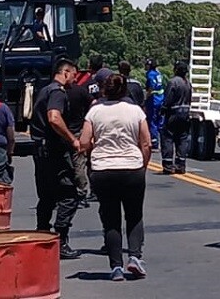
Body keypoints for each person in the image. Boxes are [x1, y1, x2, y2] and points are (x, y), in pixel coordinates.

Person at [80, 73, 152, 281]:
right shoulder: (135, 111)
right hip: (132, 167)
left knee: (111, 219)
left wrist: (97, 148)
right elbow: (146, 143)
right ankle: (135, 256)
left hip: (103, 169)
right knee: (134, 214)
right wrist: (143, 165)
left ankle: (116, 266)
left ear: (104, 89)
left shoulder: (95, 112)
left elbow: (84, 142)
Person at [30, 58, 82, 259]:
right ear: (66, 72)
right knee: (69, 194)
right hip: (54, 150)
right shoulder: (58, 92)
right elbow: (54, 117)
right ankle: (60, 239)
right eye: (74, 75)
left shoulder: (44, 90)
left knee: (46, 196)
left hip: (41, 150)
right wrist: (71, 139)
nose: (74, 80)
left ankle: (42, 234)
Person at [65, 63, 94, 208]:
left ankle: (69, 193)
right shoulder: (80, 91)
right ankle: (81, 193)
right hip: (77, 132)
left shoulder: (58, 92)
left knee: (66, 165)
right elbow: (94, 102)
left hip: (62, 132)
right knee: (79, 165)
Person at [159, 61, 192, 174]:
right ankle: (180, 165)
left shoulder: (173, 82)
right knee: (182, 139)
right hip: (185, 114)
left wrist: (163, 109)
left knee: (168, 137)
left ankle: (168, 165)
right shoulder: (187, 83)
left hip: (173, 114)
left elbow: (168, 98)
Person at [144, 59, 164, 148]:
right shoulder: (158, 73)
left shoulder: (150, 74)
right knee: (160, 121)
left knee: (152, 120)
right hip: (161, 98)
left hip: (153, 99)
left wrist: (146, 97)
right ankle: (163, 141)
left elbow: (151, 86)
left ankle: (154, 142)